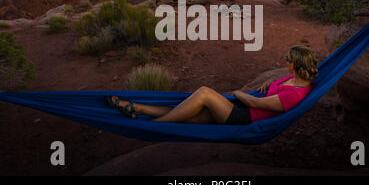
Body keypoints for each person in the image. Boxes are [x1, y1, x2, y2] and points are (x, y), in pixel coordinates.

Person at [108, 45, 319, 125]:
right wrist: (269, 82)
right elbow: (275, 85)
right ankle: (137, 107)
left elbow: (256, 102)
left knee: (204, 93)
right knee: (189, 115)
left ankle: (155, 125)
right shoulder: (293, 80)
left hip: (243, 117)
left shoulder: (294, 95)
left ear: (297, 65)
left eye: (288, 59)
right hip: (242, 109)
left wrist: (238, 92)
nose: (285, 61)